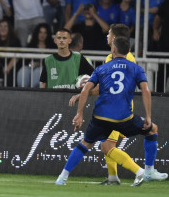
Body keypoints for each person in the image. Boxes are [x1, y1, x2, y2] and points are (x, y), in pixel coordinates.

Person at [55, 36, 162, 187]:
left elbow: (86, 89)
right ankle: (149, 171)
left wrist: (79, 114)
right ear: (129, 51)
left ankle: (62, 178)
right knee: (152, 130)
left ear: (113, 49)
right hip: (123, 117)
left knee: (86, 143)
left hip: (101, 116)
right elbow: (145, 90)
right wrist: (148, 116)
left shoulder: (102, 68)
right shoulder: (135, 68)